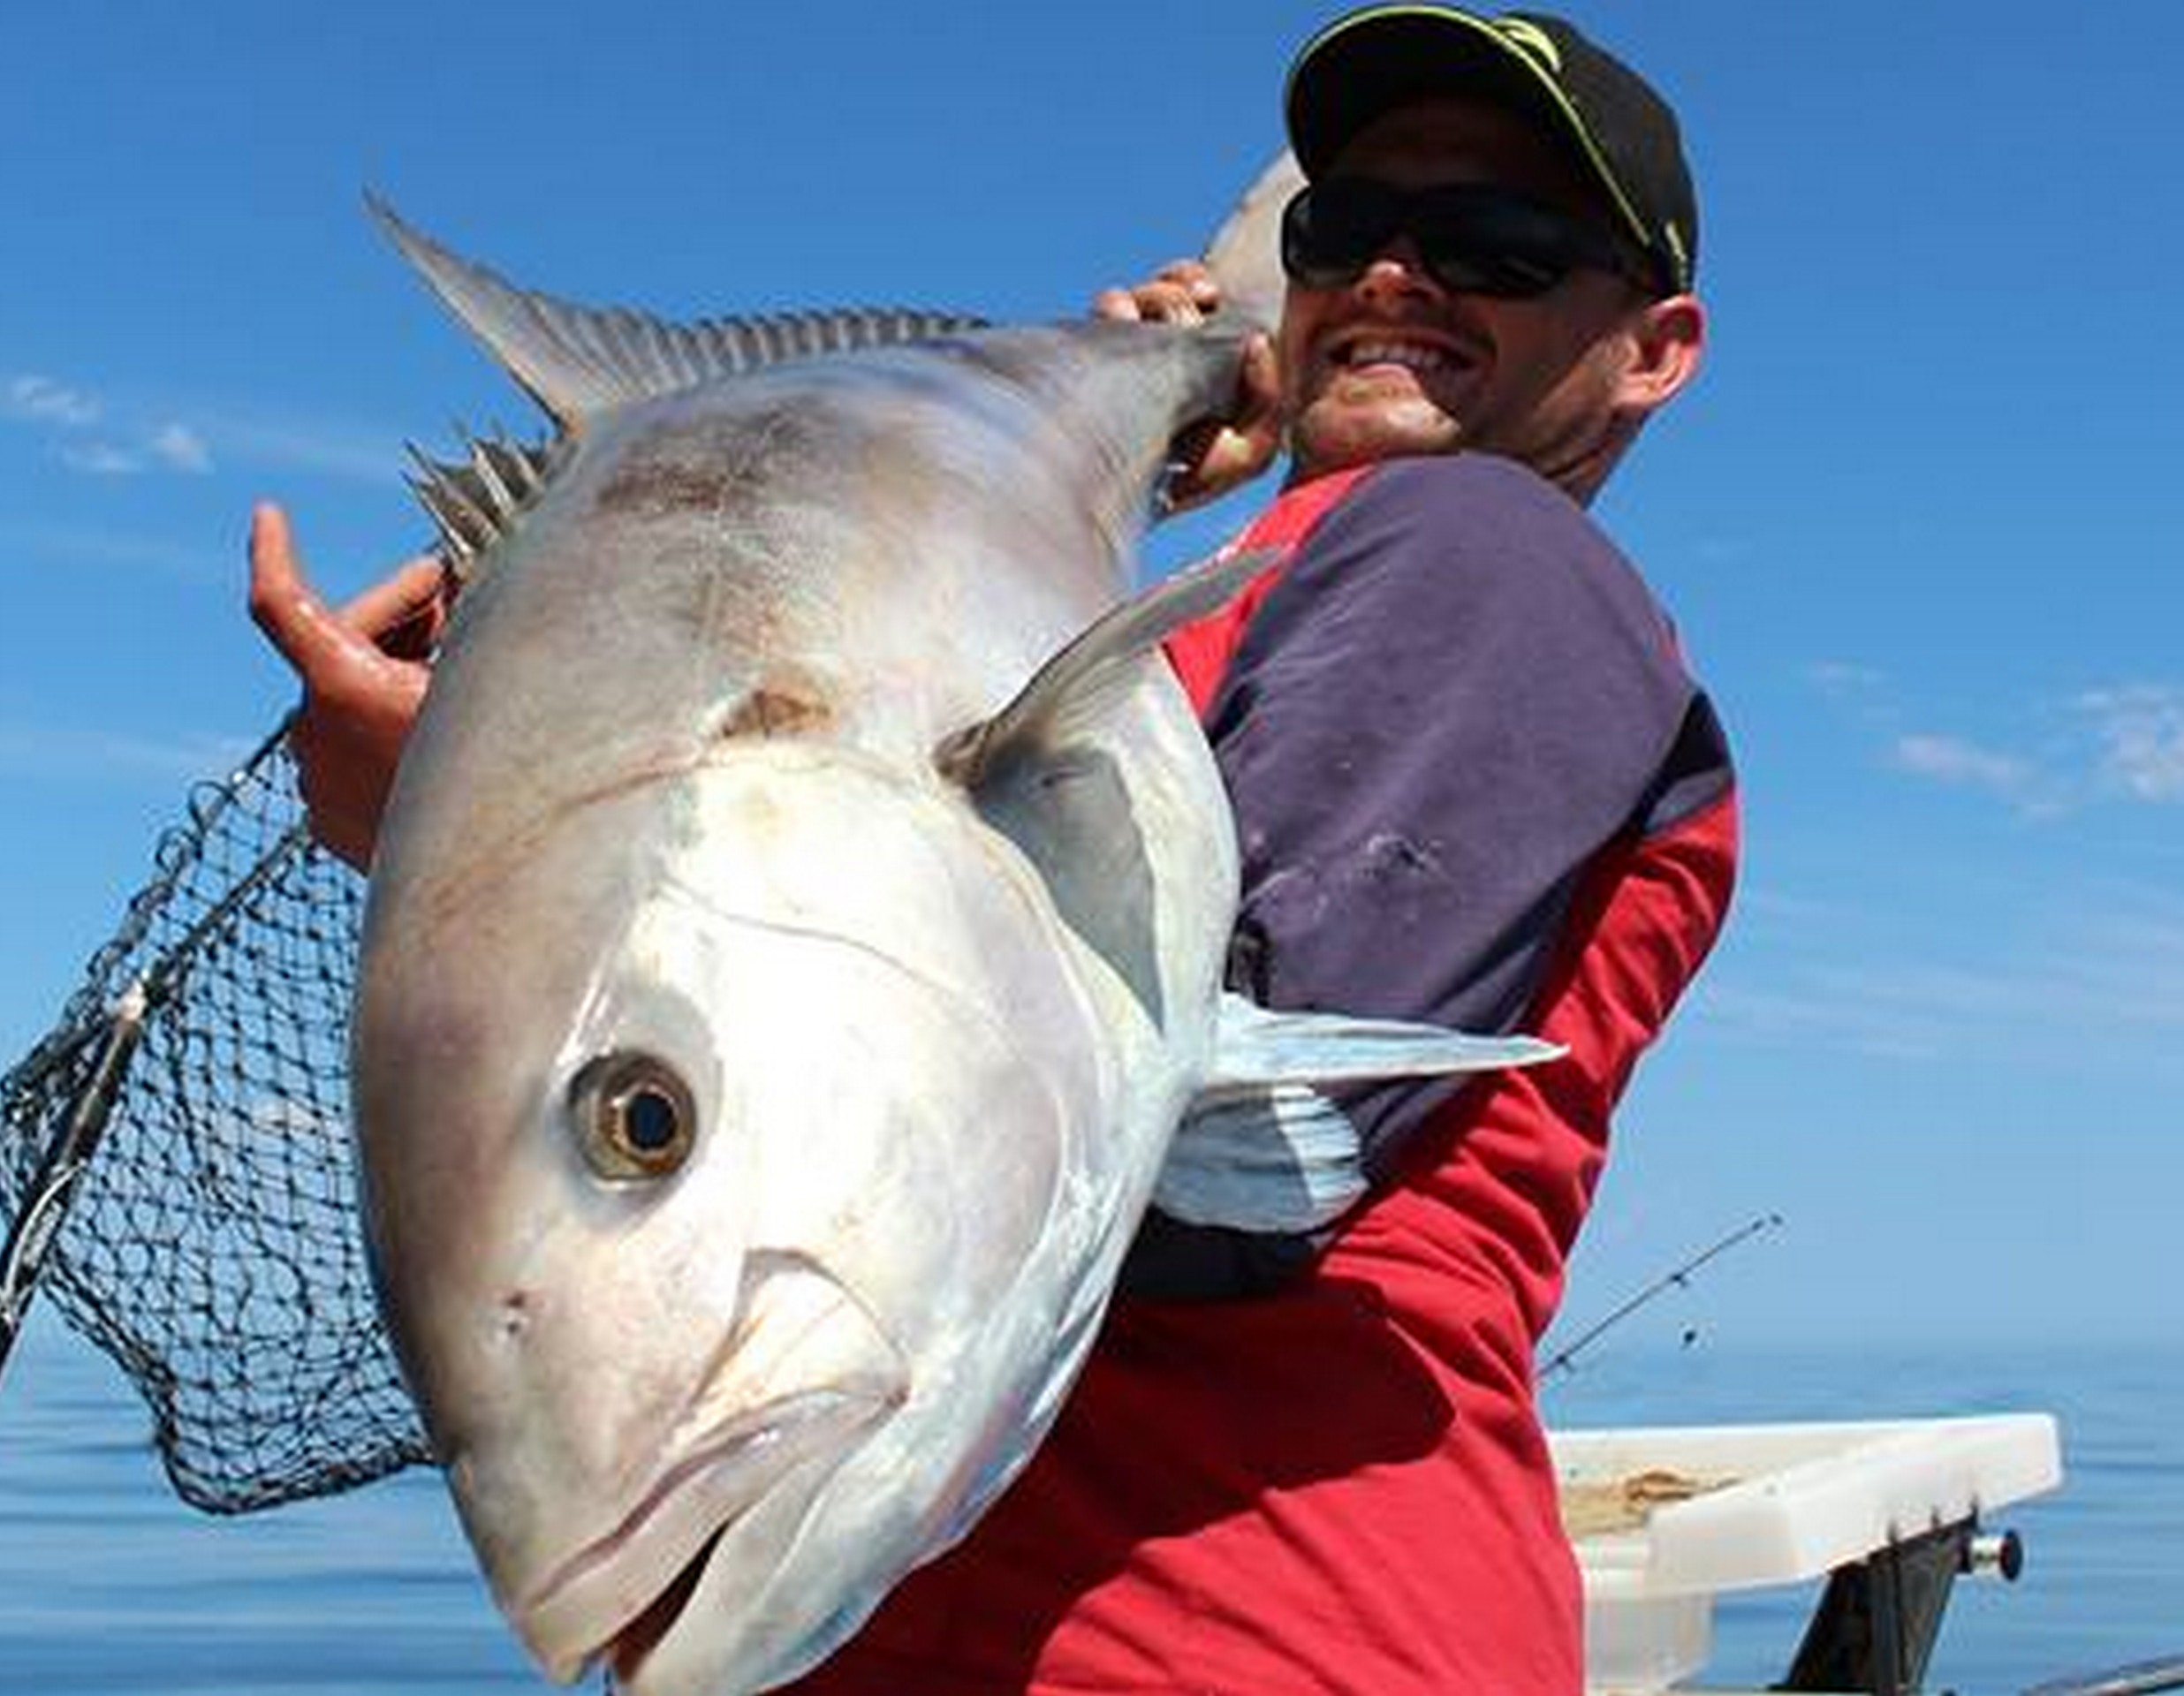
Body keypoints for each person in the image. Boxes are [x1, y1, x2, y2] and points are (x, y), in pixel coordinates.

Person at [250, 7, 1735, 1691]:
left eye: (1495, 245)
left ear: (1653, 346)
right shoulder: (1191, 608)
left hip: (1252, 1640)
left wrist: (478, 800)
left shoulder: (1480, 550)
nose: (1393, 276)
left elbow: (1238, 1156)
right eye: (1340, 232)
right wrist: (1117, 444)